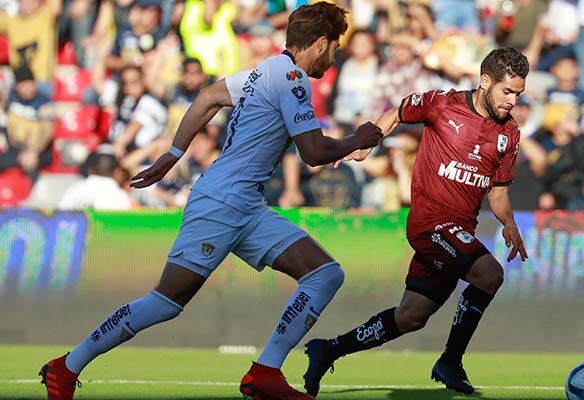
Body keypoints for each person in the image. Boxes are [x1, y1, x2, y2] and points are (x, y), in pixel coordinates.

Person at [38, 3, 383, 400]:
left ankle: (266, 371)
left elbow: (207, 98)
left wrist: (172, 153)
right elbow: (313, 151)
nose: (335, 55)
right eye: (334, 47)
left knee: (325, 273)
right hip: (222, 203)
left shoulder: (261, 72)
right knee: (166, 302)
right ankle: (65, 367)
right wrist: (357, 140)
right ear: (320, 43)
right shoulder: (292, 79)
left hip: (246, 206)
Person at [303, 47, 530, 397]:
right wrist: (367, 145)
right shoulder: (442, 103)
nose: (513, 100)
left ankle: (328, 349)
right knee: (489, 274)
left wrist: (510, 225)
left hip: (457, 234)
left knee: (410, 316)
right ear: (485, 81)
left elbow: (497, 193)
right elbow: (396, 112)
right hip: (430, 224)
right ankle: (450, 361)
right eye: (507, 91)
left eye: (518, 93)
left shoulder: (509, 134)